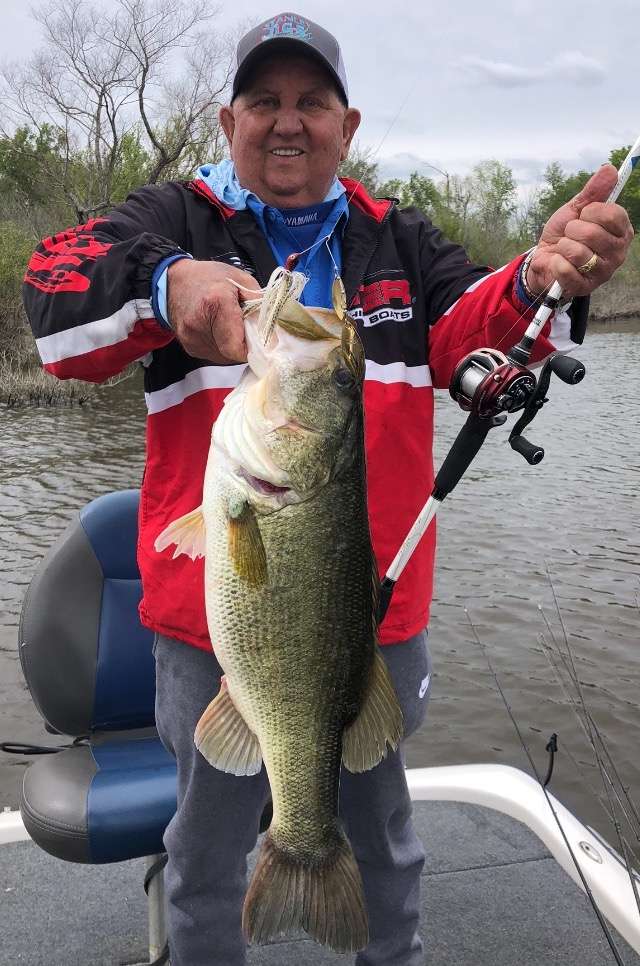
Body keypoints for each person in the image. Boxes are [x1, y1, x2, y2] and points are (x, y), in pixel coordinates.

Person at [23, 12, 633, 965]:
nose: (288, 122)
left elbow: (474, 329)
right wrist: (165, 286)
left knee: (383, 847)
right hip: (205, 633)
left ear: (347, 129)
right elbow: (52, 310)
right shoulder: (171, 221)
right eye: (264, 100)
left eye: (313, 102)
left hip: (378, 625)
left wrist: (542, 279)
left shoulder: (401, 240)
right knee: (205, 854)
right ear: (228, 123)